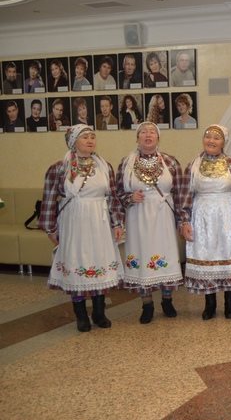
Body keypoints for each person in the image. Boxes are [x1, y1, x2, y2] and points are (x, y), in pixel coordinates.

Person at [39, 125, 124, 332]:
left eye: (93, 136)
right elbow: (49, 200)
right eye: (85, 137)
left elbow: (112, 197)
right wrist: (50, 229)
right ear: (73, 141)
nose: (90, 140)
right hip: (74, 222)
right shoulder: (59, 168)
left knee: (99, 262)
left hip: (99, 221)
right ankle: (80, 314)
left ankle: (99, 311)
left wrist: (118, 223)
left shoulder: (105, 166)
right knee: (77, 262)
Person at [117, 122, 186, 324]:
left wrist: (182, 220)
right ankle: (146, 303)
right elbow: (116, 192)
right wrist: (129, 198)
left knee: (164, 255)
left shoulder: (170, 162)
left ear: (158, 137)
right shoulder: (126, 163)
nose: (148, 135)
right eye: (143, 132)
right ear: (137, 138)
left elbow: (180, 194)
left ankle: (167, 300)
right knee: (141, 254)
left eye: (152, 132)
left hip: (163, 215)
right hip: (137, 215)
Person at [180, 125, 231, 320]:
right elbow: (186, 195)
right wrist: (184, 221)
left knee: (227, 253)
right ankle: (209, 303)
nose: (211, 140)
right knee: (206, 254)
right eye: (208, 136)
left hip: (227, 215)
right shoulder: (193, 165)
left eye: (216, 138)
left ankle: (230, 302)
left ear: (223, 142)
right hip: (202, 215)